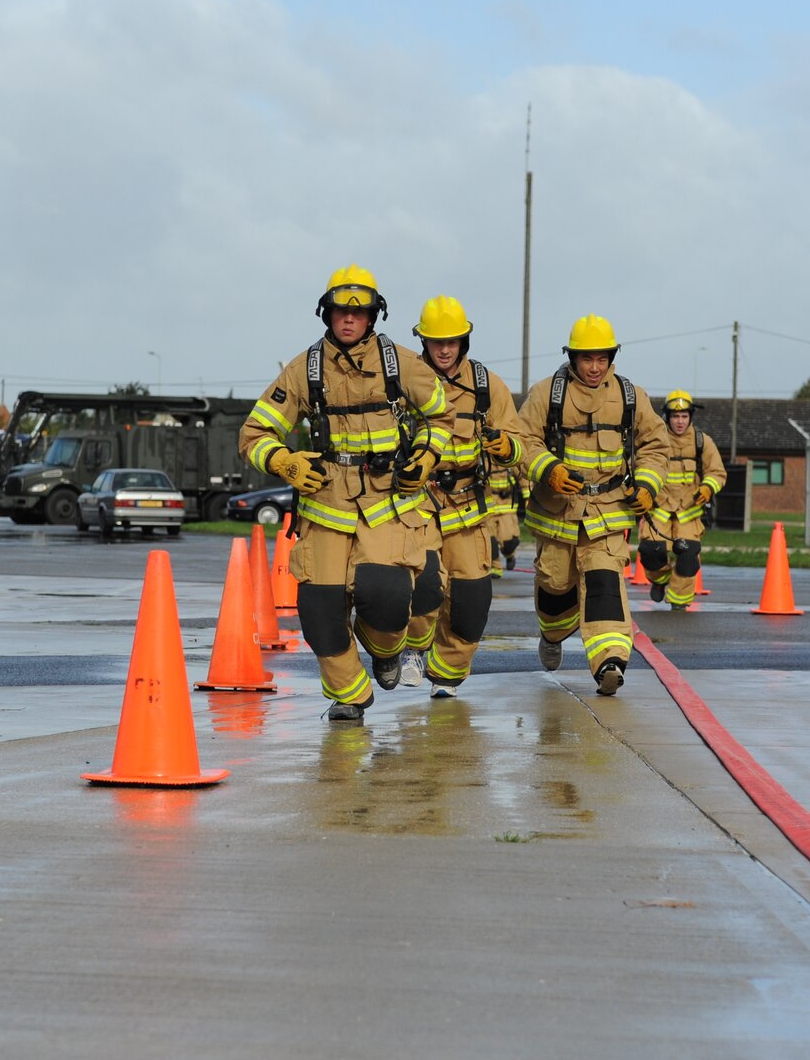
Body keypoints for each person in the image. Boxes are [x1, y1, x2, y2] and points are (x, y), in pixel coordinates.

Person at [239, 266, 451, 722]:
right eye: (340, 311)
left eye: (359, 312)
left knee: (388, 596)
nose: (349, 320)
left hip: (387, 504)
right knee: (319, 613)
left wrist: (427, 456)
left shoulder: (402, 364)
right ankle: (349, 695)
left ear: (374, 317)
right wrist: (282, 461)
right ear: (327, 314)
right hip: (325, 506)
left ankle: (386, 651)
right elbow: (253, 435)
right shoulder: (303, 370)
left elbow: (445, 420)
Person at [516, 315, 669, 695]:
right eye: (587, 359)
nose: (595, 367)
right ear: (573, 357)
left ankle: (609, 662)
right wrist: (547, 469)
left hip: (609, 513)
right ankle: (552, 637)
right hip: (558, 514)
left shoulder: (631, 396)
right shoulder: (545, 393)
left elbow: (656, 445)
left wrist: (648, 485)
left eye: (601, 359)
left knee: (604, 584)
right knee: (555, 586)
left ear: (611, 357)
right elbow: (521, 439)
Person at [398, 296, 523, 699]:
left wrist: (507, 447)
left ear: (464, 340)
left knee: (471, 602)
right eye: (436, 342)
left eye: (452, 340)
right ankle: (414, 650)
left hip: (469, 506)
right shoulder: (402, 380)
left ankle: (447, 673)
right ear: (423, 342)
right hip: (417, 505)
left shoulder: (486, 385)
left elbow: (520, 441)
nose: (445, 349)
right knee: (426, 587)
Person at [638, 390, 727, 610]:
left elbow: (717, 472)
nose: (680, 421)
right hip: (658, 512)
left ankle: (679, 604)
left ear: (690, 417)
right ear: (667, 416)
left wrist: (707, 488)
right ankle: (660, 581)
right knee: (651, 554)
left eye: (684, 416)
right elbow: (638, 465)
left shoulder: (702, 442)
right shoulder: (655, 439)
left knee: (688, 559)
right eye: (675, 416)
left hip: (689, 513)